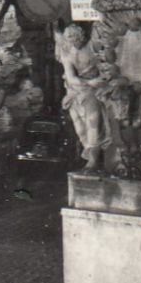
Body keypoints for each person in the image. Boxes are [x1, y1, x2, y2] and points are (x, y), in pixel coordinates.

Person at [57, 24, 112, 172]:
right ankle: (91, 157)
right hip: (77, 90)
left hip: (94, 90)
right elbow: (71, 77)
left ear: (81, 36)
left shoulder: (91, 46)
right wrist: (89, 82)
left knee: (93, 123)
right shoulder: (67, 53)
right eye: (70, 39)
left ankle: (93, 162)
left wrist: (97, 82)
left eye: (75, 38)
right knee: (81, 129)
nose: (73, 42)